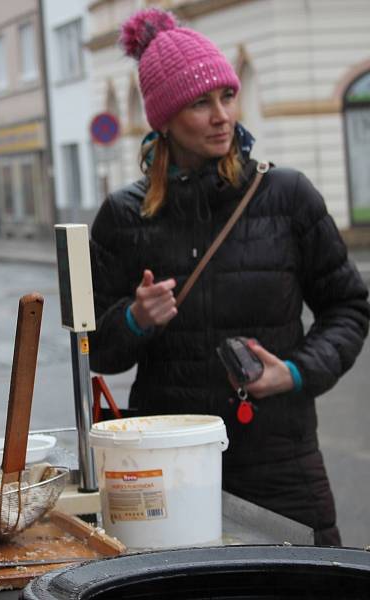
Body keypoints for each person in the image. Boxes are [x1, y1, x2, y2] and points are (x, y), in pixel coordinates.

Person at [88, 8, 369, 546]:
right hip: (170, 462)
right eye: (200, 102)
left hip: (280, 459)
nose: (222, 116)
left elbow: (349, 307)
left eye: (227, 96)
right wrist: (134, 318)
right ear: (164, 118)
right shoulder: (124, 217)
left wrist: (295, 370)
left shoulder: (286, 196)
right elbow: (97, 350)